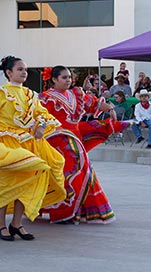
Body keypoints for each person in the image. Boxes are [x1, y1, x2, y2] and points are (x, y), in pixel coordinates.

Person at [0, 56, 66, 242]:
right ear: (9, 73)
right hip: (3, 143)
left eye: (25, 69)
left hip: (26, 141)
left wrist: (41, 125)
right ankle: (0, 225)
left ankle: (17, 224)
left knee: (25, 183)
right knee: (5, 183)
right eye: (20, 69)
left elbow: (41, 114)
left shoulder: (31, 95)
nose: (24, 72)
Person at [38, 65, 123, 224]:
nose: (68, 80)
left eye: (69, 77)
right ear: (54, 79)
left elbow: (94, 103)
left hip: (74, 140)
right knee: (64, 174)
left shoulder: (76, 94)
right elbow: (39, 117)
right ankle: (61, 211)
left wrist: (110, 108)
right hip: (56, 141)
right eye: (64, 77)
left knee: (82, 172)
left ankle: (76, 210)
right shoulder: (45, 97)